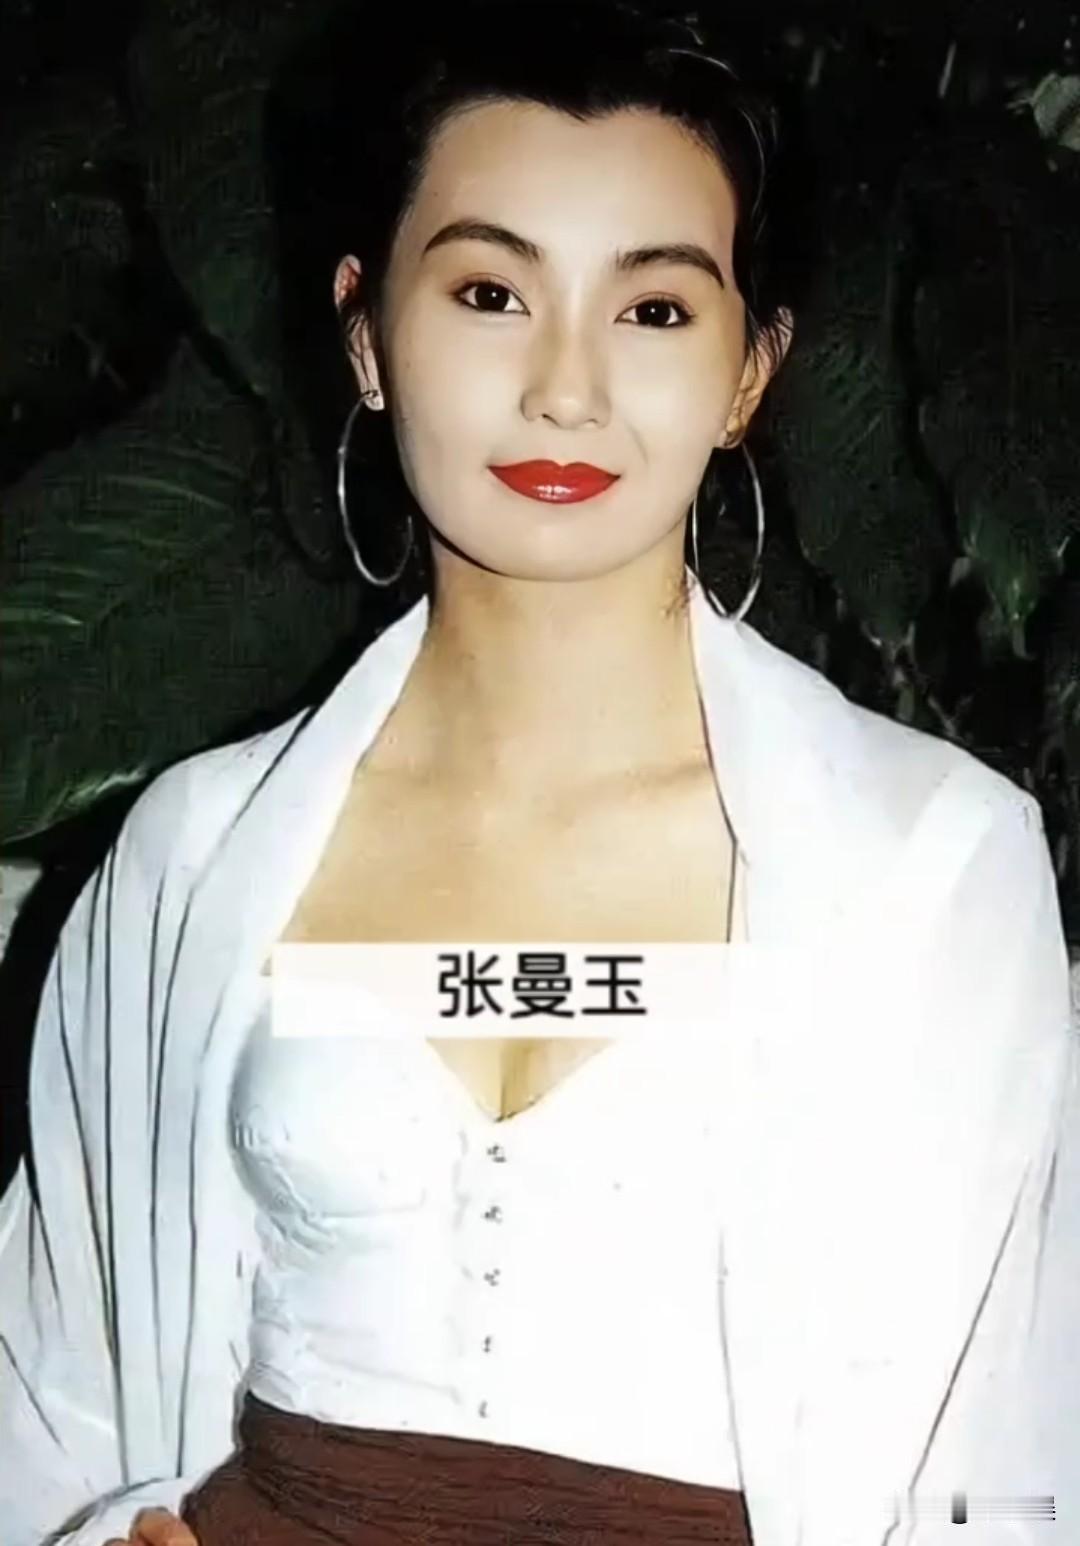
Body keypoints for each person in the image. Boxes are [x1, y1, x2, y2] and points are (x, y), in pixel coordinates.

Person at [2, 3, 1077, 1543]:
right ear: (367, 336)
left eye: (654, 310)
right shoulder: (196, 850)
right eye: (493, 292)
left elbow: (1015, 1454)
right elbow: (52, 1382)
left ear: (749, 374)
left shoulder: (936, 861)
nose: (567, 386)